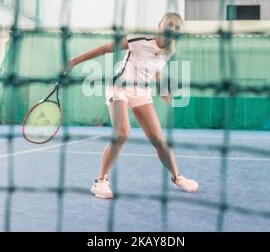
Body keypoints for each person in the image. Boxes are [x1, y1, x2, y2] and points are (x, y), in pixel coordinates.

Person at [68, 12, 199, 199]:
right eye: (170, 23)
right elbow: (104, 49)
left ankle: (177, 177)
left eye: (177, 27)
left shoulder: (170, 50)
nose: (173, 28)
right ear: (159, 24)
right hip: (119, 87)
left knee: (159, 140)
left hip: (141, 92)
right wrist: (73, 62)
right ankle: (100, 182)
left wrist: (162, 89)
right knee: (122, 132)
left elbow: (156, 68)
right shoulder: (139, 39)